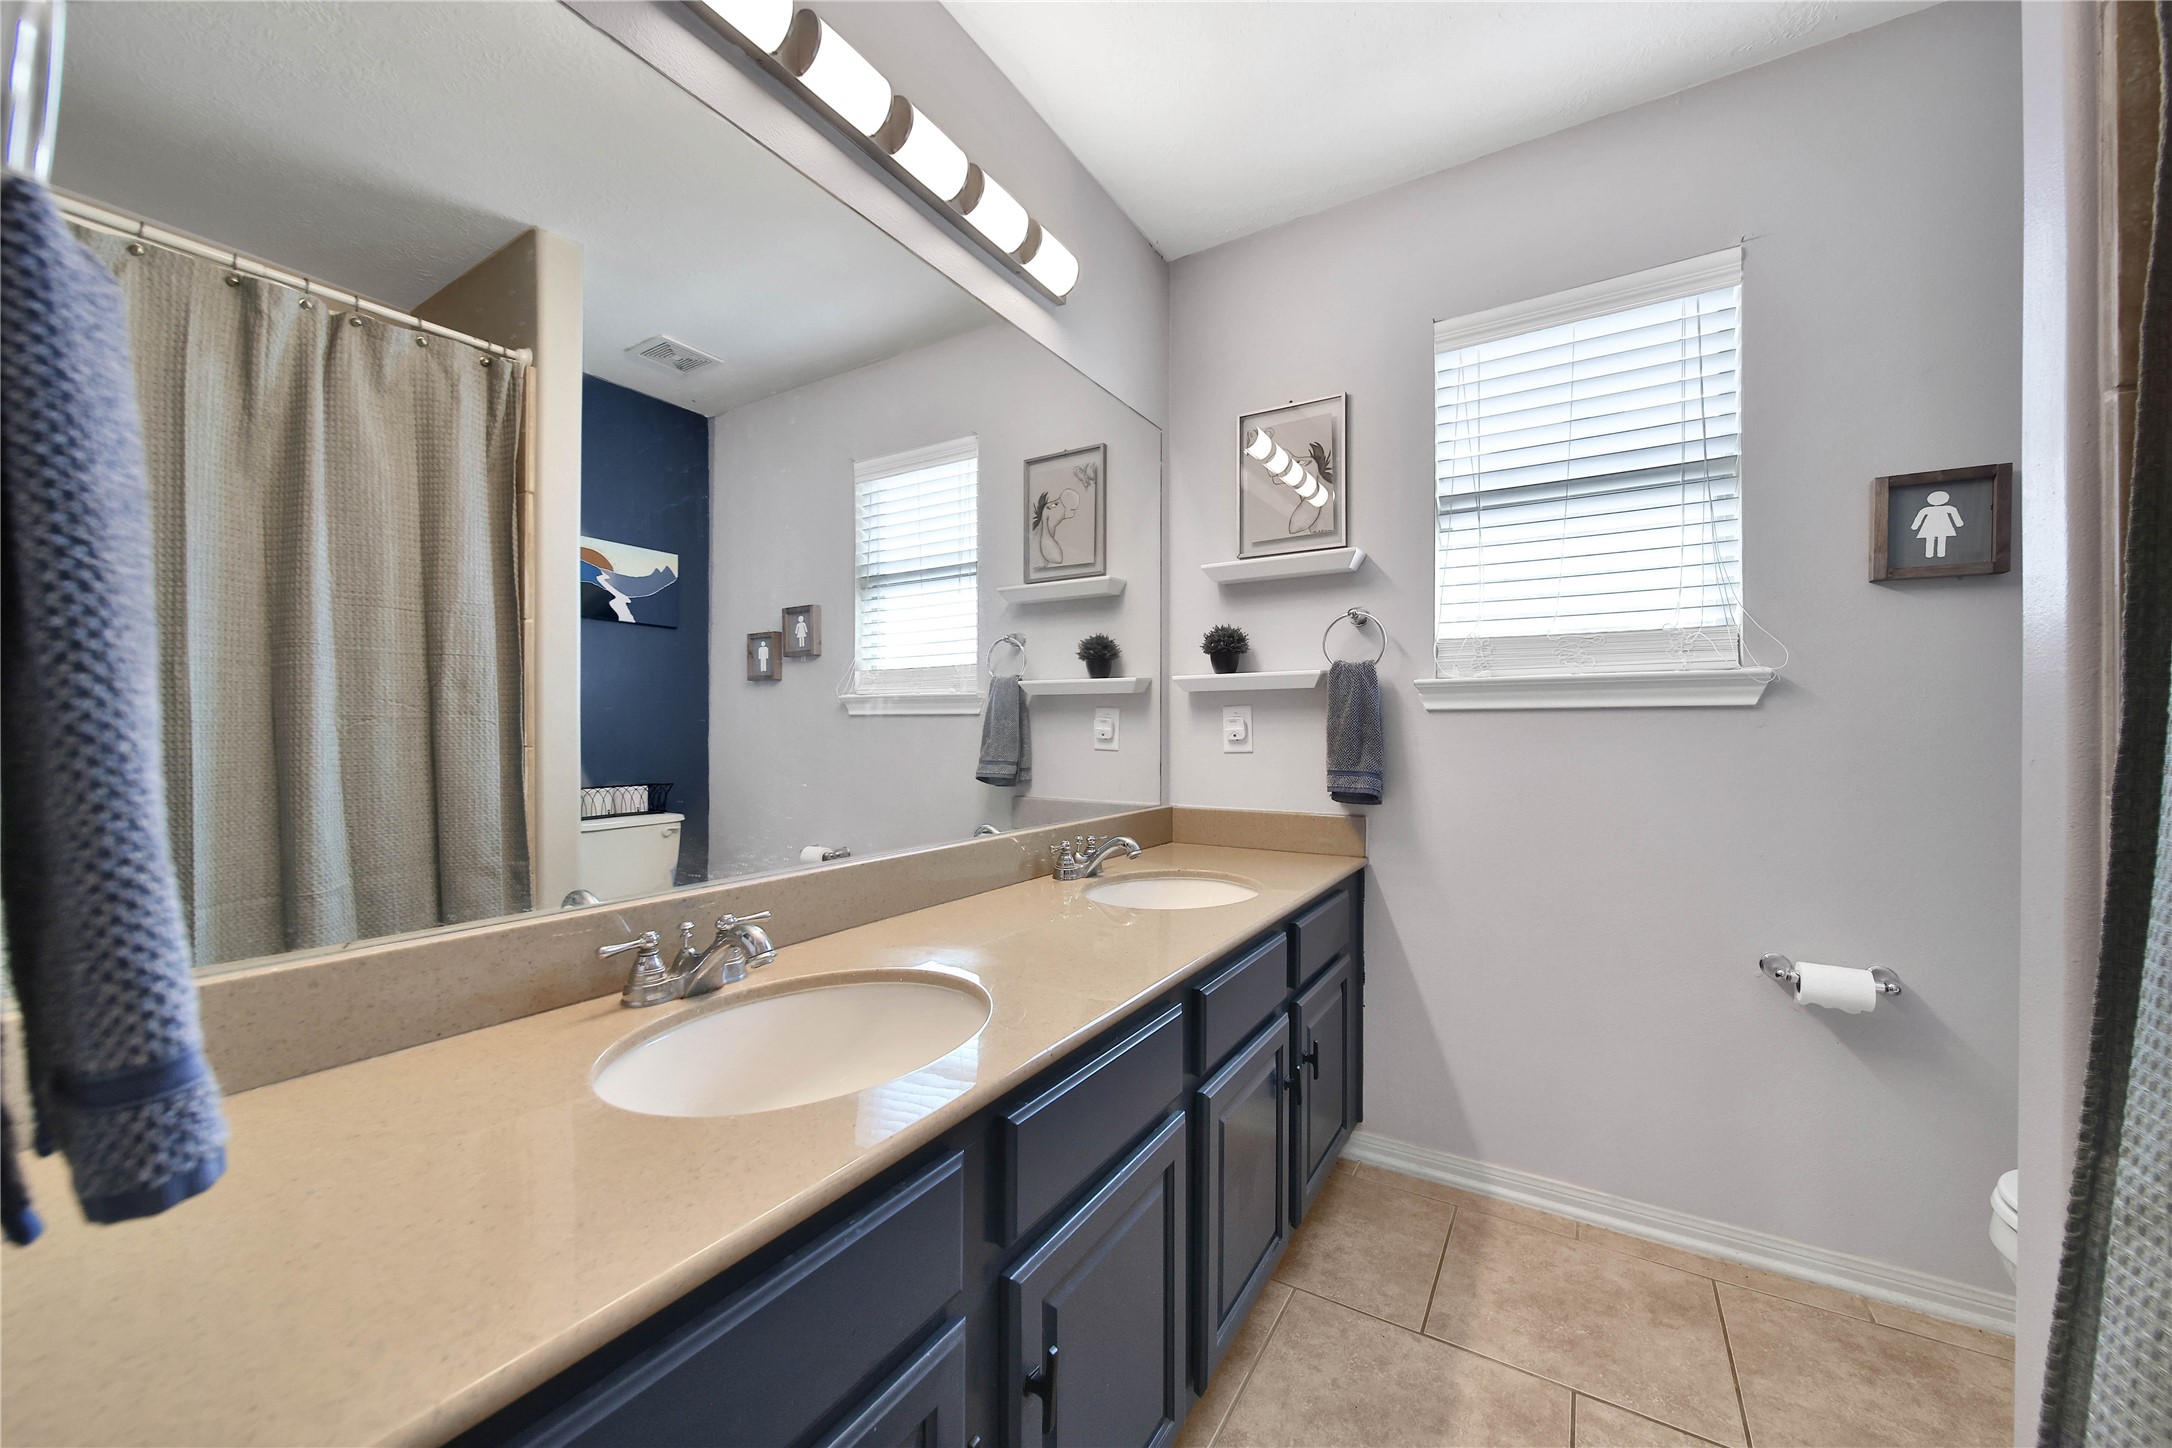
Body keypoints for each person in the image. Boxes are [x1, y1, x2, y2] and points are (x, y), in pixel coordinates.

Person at [1911, 489, 1964, 558]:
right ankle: (1936, 554)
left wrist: (1915, 527)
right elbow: (1954, 512)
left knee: (1935, 539)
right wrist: (1958, 523)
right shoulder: (1946, 508)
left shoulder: (1927, 509)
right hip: (1937, 526)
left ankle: (1933, 554)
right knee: (1937, 539)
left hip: (1936, 526)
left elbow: (1920, 516)